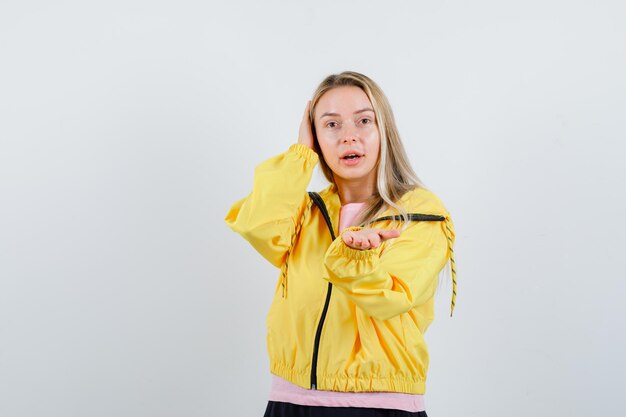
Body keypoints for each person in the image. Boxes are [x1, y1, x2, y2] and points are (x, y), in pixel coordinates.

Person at [224, 71, 457, 417]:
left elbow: (390, 297)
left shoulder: (420, 213)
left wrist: (354, 256)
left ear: (384, 131)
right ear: (316, 136)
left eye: (364, 121)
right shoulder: (304, 211)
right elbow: (258, 226)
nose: (348, 136)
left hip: (378, 404)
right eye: (331, 125)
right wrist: (301, 153)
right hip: (291, 400)